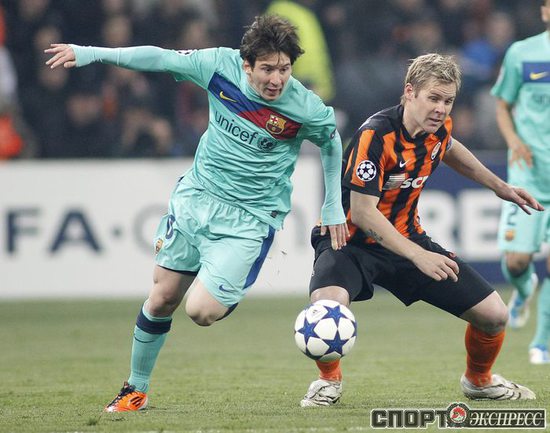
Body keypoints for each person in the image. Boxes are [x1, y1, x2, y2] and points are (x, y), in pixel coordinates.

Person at [45, 14, 348, 412]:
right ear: (246, 64)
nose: (277, 79)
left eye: (284, 69)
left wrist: (331, 204)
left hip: (249, 218)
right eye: (267, 69)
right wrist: (90, 53)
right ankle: (135, 389)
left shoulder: (303, 106)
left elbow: (331, 142)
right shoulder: (218, 66)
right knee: (161, 298)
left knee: (202, 311)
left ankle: (229, 280)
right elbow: (160, 58)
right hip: (196, 200)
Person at [300, 53, 543, 407]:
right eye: (434, 98)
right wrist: (418, 255)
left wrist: (499, 186)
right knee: (327, 307)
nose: (441, 109)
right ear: (410, 92)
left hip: (406, 239)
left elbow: (450, 148)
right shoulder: (375, 135)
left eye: (448, 101)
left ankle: (479, 381)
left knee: (494, 316)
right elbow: (363, 213)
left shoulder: (437, 128)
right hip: (348, 243)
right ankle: (327, 382)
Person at [491, 0, 550, 364]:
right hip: (528, 174)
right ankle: (524, 289)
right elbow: (502, 104)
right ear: (544, 11)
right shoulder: (522, 53)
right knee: (516, 262)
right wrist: (513, 141)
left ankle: (541, 342)